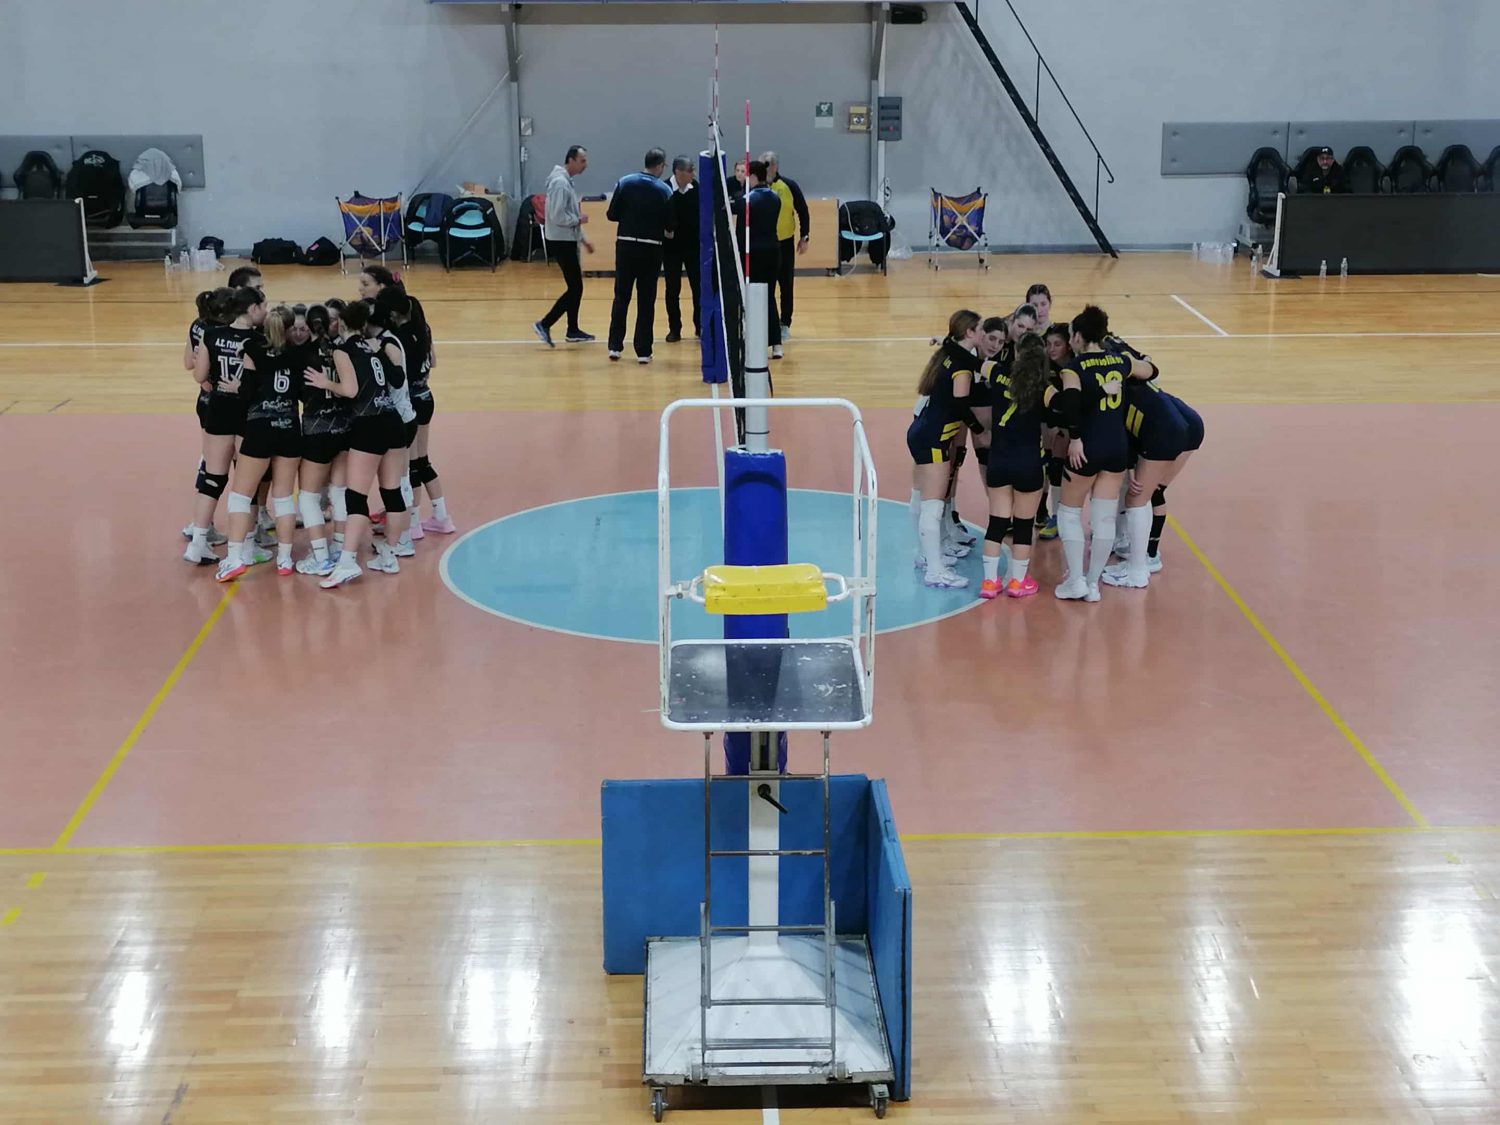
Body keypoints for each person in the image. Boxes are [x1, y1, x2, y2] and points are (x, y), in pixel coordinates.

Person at [306, 300, 409, 589]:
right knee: (392, 493)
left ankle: (348, 561)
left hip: (369, 424)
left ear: (341, 323)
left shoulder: (343, 350)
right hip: (393, 421)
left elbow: (350, 390)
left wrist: (326, 383)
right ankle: (390, 554)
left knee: (355, 497)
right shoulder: (372, 346)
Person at [1052, 305, 1151, 602]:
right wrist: (1137, 362)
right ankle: (1093, 585)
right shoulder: (1120, 361)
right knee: (1104, 519)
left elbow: (1071, 404)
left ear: (1079, 337)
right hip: (1117, 448)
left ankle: (1076, 581)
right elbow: (1152, 370)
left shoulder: (1074, 367)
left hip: (1087, 446)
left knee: (1069, 513)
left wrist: (1076, 439)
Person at [216, 305, 307, 582]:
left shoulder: (252, 350)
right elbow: (303, 393)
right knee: (283, 497)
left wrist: (236, 387)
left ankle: (235, 558)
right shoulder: (298, 354)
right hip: (289, 427)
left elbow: (245, 394)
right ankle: (285, 560)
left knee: (241, 495)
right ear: (289, 329)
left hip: (259, 428)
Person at [185, 286, 266, 567]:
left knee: (213, 478)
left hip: (218, 408)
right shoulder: (259, 339)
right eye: (263, 306)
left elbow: (199, 375)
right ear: (252, 309)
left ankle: (197, 544)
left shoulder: (210, 334)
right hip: (247, 411)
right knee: (246, 483)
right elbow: (262, 381)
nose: (265, 311)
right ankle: (247, 546)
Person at [906, 309, 986, 589]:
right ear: (969, 332)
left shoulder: (948, 354)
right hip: (935, 439)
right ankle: (935, 571)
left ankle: (925, 557)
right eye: (980, 329)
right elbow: (961, 406)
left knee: (921, 498)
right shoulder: (962, 367)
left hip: (921, 430)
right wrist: (979, 429)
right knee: (933, 504)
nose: (983, 333)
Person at [979, 332, 1050, 599]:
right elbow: (1066, 407)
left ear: (1017, 353)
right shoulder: (1043, 387)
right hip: (1028, 462)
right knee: (1023, 524)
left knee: (996, 523)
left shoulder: (997, 372)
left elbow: (978, 364)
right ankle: (1017, 583)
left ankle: (989, 582)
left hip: (999, 459)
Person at [606, 148, 673, 364]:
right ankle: (643, 351)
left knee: (621, 296)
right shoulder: (664, 190)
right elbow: (670, 224)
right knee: (646, 300)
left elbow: (611, 214)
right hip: (651, 248)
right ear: (660, 165)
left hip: (625, 245)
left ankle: (615, 346)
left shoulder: (625, 182)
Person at [534, 145, 595, 347]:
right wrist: (578, 220)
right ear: (571, 160)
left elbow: (567, 213)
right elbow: (557, 216)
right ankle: (545, 324)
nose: (585, 164)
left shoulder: (566, 181)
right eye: (582, 161)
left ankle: (573, 330)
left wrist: (583, 240)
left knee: (575, 286)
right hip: (561, 241)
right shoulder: (560, 183)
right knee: (575, 287)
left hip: (566, 239)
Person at [759, 152, 810, 341]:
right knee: (765, 285)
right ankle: (765, 323)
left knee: (786, 285)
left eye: (765, 165)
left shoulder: (789, 185)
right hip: (764, 244)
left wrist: (805, 236)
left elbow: (803, 210)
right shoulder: (757, 188)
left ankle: (785, 323)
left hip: (785, 243)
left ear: (774, 167)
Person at [737, 161, 783, 357]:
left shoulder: (746, 200)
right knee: (769, 296)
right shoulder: (775, 197)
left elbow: (741, 233)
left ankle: (756, 342)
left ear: (753, 176)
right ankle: (776, 344)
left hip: (753, 254)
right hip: (773, 251)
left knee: (753, 297)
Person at [662, 156, 701, 344]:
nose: (693, 174)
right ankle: (674, 328)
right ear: (678, 172)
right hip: (671, 248)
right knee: (672, 289)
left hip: (693, 246)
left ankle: (700, 325)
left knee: (698, 287)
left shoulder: (696, 188)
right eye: (690, 170)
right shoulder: (664, 189)